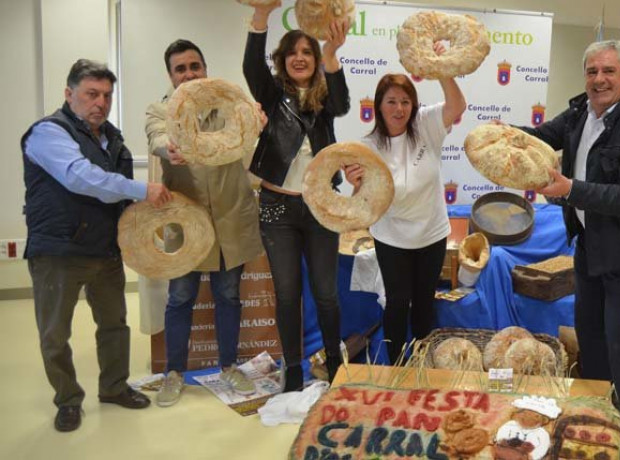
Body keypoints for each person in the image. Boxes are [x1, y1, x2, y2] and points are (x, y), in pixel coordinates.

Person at [514, 40, 620, 458]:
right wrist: (503, 136)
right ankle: (595, 415)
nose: (599, 79)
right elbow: (541, 138)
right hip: (588, 244)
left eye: (608, 71)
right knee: (591, 338)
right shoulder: (581, 112)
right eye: (592, 71)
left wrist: (570, 190)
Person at [22, 59, 173, 432]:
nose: (100, 102)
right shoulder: (47, 133)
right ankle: (68, 400)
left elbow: (115, 196)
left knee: (113, 325)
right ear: (69, 94)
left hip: (104, 250)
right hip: (57, 251)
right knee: (55, 333)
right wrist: (143, 190)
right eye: (92, 93)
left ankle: (114, 387)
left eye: (106, 95)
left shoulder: (113, 138)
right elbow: (80, 177)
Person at [145, 39, 266, 407]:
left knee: (228, 296)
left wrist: (258, 123)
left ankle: (228, 366)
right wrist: (172, 147)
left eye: (195, 66)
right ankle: (174, 373)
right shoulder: (159, 110)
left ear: (205, 68)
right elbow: (158, 139)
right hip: (186, 222)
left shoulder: (230, 105)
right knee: (180, 297)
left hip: (231, 218)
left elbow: (250, 133)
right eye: (180, 69)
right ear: (170, 75)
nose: (189, 74)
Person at [244, 3, 350, 391]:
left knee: (326, 293)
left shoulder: (324, 101)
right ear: (282, 60)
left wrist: (332, 54)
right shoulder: (270, 95)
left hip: (322, 207)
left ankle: (335, 364)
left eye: (308, 52)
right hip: (277, 208)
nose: (301, 58)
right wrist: (260, 17)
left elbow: (344, 104)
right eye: (293, 53)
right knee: (287, 294)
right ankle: (292, 368)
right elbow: (252, 68)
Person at [344, 58, 465, 365]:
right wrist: (355, 184)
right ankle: (396, 365)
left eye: (405, 101)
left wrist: (443, 69)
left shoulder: (426, 125)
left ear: (414, 105)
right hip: (392, 236)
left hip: (431, 233)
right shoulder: (367, 146)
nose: (399, 109)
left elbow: (457, 105)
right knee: (397, 303)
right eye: (391, 102)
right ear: (379, 106)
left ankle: (424, 365)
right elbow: (363, 201)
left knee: (425, 302)